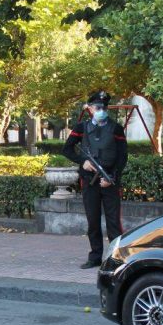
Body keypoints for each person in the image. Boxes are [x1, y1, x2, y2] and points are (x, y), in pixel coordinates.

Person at [62, 91, 128, 269]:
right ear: (89, 108)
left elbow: (122, 157)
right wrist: (82, 162)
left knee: (114, 222)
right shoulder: (81, 128)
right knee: (93, 221)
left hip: (109, 181)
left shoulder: (116, 128)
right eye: (97, 107)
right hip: (89, 181)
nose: (101, 110)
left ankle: (116, 258)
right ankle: (95, 256)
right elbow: (67, 149)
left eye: (104, 107)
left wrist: (112, 177)